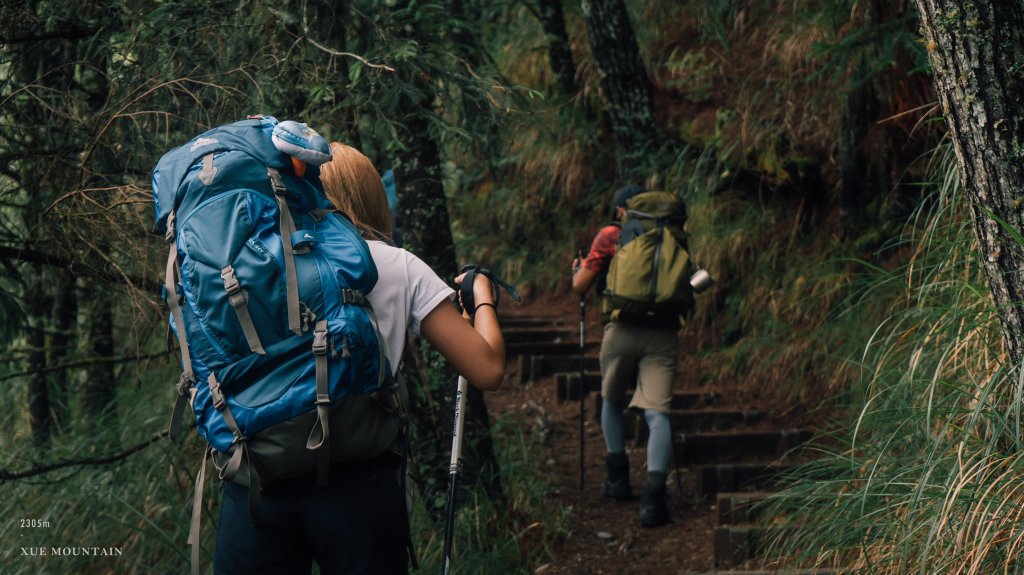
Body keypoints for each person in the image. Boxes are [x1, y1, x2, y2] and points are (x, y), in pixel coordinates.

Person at [213, 141, 506, 574]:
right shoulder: (398, 265)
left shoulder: (258, 266)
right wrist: (482, 297)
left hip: (257, 478)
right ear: (371, 194)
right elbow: (489, 369)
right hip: (360, 483)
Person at [571, 184, 679, 528]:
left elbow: (580, 285)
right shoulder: (673, 235)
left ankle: (618, 480)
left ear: (623, 210)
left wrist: (579, 268)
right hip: (663, 331)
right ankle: (653, 500)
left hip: (621, 329)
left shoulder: (610, 235)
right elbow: (698, 280)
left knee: (611, 400)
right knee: (657, 413)